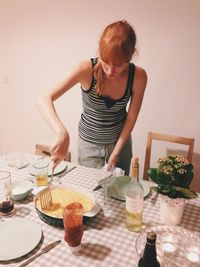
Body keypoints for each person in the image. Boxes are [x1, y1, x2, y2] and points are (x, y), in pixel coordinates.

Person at [36, 20, 147, 175]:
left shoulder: (138, 77)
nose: (110, 71)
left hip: (121, 145)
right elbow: (43, 97)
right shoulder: (85, 69)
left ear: (131, 56)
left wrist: (116, 153)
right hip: (89, 147)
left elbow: (131, 118)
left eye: (119, 65)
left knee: (120, 195)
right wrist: (62, 133)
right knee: (90, 195)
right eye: (105, 61)